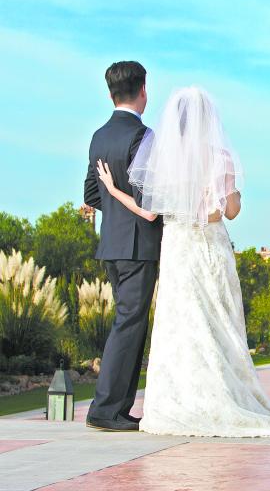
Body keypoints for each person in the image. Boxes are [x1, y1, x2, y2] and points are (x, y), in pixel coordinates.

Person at [95, 85, 270, 437]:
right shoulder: (219, 156)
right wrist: (231, 192)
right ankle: (224, 395)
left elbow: (149, 213)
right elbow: (231, 211)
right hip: (208, 246)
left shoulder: (164, 158)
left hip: (177, 251)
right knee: (219, 323)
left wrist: (114, 191)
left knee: (181, 326)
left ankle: (176, 400)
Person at [83, 61, 162, 432]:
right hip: (138, 245)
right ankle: (105, 410)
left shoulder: (99, 136)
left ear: (110, 92)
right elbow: (151, 200)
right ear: (143, 90)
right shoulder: (145, 137)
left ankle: (118, 408)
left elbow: (89, 193)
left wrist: (114, 206)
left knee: (128, 324)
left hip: (112, 244)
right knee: (129, 325)